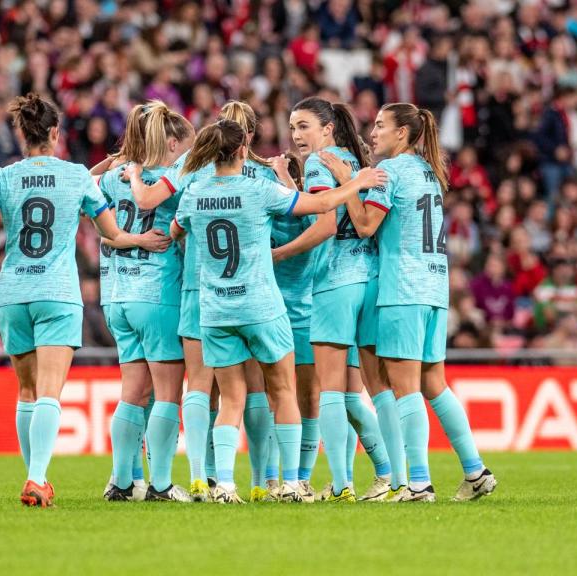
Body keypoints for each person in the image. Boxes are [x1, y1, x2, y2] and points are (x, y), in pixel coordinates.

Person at [0, 93, 169, 508]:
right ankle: (37, 478)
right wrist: (141, 240)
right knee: (49, 392)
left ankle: (36, 478)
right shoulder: (75, 176)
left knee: (26, 391)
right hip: (57, 294)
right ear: (55, 133)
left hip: (13, 294)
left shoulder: (3, 177)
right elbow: (113, 234)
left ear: (21, 134)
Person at [171, 119, 388, 504]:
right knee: (283, 390)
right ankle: (290, 483)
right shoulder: (259, 190)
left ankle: (225, 485)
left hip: (216, 310)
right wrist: (356, 182)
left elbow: (176, 231)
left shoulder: (194, 194)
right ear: (242, 150)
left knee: (231, 399)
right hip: (261, 307)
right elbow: (321, 205)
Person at [125, 101, 282, 501]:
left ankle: (202, 476)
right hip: (254, 292)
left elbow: (153, 205)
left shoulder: (192, 166)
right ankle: (263, 481)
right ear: (249, 137)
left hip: (199, 285)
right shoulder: (265, 175)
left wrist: (132, 175)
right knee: (254, 388)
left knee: (201, 385)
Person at [343, 103, 497, 502]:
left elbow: (365, 226)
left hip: (403, 290)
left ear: (403, 133)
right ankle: (475, 470)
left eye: (381, 125)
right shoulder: (429, 172)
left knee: (405, 387)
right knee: (434, 383)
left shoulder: (390, 171)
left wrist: (348, 183)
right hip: (434, 288)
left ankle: (419, 482)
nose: (373, 132)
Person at [273, 97, 392, 502]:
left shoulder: (318, 163)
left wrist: (279, 254)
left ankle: (342, 485)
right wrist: (288, 183)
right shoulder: (353, 160)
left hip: (334, 282)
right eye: (293, 126)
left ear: (327, 128)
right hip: (368, 279)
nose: (296, 134)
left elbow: (325, 225)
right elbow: (325, 210)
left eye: (304, 126)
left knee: (330, 393)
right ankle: (388, 474)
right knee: (353, 395)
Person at [102, 103, 193, 502]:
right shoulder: (173, 180)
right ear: (171, 143)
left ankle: (121, 483)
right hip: (158, 295)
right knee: (167, 395)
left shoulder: (114, 177)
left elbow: (101, 226)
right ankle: (161, 484)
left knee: (133, 395)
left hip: (118, 296)